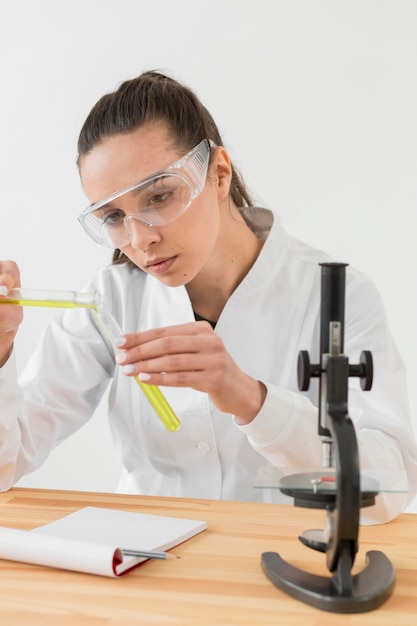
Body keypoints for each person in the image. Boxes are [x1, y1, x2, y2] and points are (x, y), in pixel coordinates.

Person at [0, 71, 416, 524]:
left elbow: (387, 491)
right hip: (143, 565)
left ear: (219, 174)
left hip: (285, 566)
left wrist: (249, 398)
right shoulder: (109, 301)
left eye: (159, 195)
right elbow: (8, 463)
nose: (139, 240)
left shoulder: (337, 296)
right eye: (114, 216)